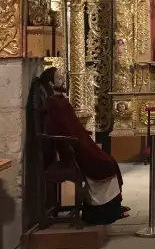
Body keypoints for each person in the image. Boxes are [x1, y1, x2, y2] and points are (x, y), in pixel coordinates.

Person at [33, 68, 129, 225]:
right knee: (106, 165)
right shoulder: (55, 104)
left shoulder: (60, 101)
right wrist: (77, 141)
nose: (62, 79)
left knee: (109, 162)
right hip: (73, 149)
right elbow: (59, 128)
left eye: (61, 76)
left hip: (78, 143)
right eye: (58, 78)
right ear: (50, 83)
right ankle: (103, 213)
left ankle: (111, 208)